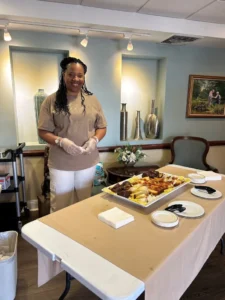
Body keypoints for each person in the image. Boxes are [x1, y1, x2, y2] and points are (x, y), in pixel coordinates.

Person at [38, 57, 107, 213]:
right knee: (60, 206)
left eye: (80, 75)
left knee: (84, 204)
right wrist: (61, 142)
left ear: (84, 77)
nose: (76, 79)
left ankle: (80, 235)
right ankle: (59, 235)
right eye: (71, 74)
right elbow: (42, 131)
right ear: (64, 75)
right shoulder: (51, 101)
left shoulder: (92, 100)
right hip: (61, 164)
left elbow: (102, 127)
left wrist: (95, 139)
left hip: (87, 161)